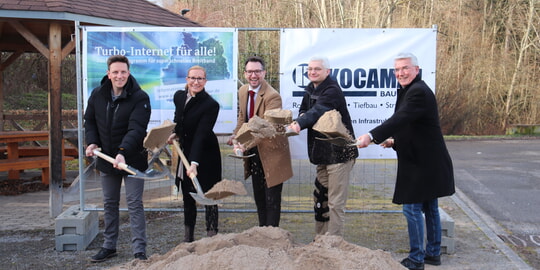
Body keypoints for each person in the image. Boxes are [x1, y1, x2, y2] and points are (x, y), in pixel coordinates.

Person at [356, 52, 455, 270]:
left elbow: (399, 119)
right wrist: (394, 140)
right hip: (426, 159)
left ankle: (417, 259)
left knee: (411, 209)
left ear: (416, 70)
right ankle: (433, 253)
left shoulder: (418, 91)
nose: (400, 73)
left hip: (422, 163)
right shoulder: (409, 90)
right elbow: (411, 124)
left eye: (405, 68)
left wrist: (372, 136)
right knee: (430, 207)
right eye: (397, 69)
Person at [84, 55, 151, 262]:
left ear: (128, 73)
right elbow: (90, 121)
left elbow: (136, 129)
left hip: (132, 160)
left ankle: (139, 250)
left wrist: (122, 152)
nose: (119, 76)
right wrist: (92, 142)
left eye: (123, 72)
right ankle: (109, 246)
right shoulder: (97, 94)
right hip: (106, 159)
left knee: (134, 203)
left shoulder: (140, 98)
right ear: (109, 74)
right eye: (115, 72)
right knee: (109, 203)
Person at [288, 56, 358, 236]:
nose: (312, 72)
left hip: (340, 154)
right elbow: (305, 109)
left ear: (327, 72)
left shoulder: (332, 91)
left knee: (335, 202)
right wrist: (302, 116)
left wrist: (299, 123)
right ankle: (320, 239)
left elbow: (319, 110)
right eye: (310, 69)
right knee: (321, 197)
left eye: (317, 69)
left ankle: (333, 243)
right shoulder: (311, 88)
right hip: (322, 155)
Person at [227, 56, 293, 227]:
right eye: (250, 72)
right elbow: (243, 119)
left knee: (271, 198)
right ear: (245, 73)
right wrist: (236, 136)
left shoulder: (273, 97)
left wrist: (244, 143)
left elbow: (265, 128)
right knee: (259, 196)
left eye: (257, 71)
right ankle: (262, 234)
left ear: (264, 73)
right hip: (254, 152)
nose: (253, 75)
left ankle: (273, 235)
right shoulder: (242, 91)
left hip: (273, 154)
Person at [167, 65, 221, 242]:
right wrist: (175, 133)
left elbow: (201, 134)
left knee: (209, 195)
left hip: (206, 153)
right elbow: (178, 120)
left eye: (200, 79)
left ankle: (211, 236)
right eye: (193, 78)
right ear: (187, 79)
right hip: (185, 151)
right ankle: (188, 238)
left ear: (205, 81)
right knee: (188, 194)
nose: (196, 82)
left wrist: (195, 162)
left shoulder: (211, 105)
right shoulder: (179, 96)